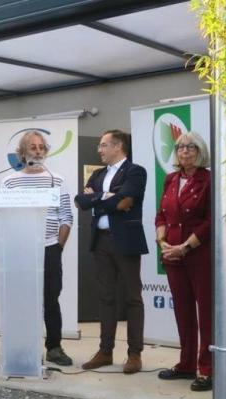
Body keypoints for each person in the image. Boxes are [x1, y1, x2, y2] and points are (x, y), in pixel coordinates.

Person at [74, 129, 148, 374]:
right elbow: (80, 201)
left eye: (104, 145)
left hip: (125, 241)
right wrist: (106, 197)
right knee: (106, 297)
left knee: (132, 297)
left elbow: (125, 201)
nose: (99, 150)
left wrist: (98, 198)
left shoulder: (135, 171)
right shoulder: (97, 174)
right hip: (101, 242)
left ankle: (134, 354)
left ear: (118, 147)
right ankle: (105, 351)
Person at [1, 131, 74, 366]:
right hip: (21, 251)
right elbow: (4, 215)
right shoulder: (9, 182)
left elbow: (66, 217)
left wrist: (57, 247)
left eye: (42, 147)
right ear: (23, 152)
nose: (38, 151)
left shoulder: (58, 179)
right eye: (33, 147)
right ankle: (22, 347)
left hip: (50, 248)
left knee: (50, 299)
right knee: (22, 299)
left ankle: (54, 347)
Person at [154, 131, 212, 391]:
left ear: (200, 152)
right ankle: (186, 364)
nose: (185, 151)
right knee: (183, 311)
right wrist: (162, 242)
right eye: (180, 147)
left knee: (206, 313)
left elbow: (211, 221)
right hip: (172, 255)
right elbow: (161, 216)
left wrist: (185, 247)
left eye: (191, 147)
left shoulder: (208, 179)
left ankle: (208, 369)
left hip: (198, 254)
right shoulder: (170, 179)